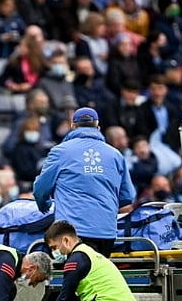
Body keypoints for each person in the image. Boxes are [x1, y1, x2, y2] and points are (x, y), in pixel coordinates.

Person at [33, 107, 136, 256]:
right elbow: (128, 195)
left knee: (74, 276)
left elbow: (41, 188)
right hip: (106, 232)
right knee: (96, 276)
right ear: (98, 127)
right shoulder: (115, 155)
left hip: (72, 233)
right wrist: (104, 206)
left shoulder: (60, 152)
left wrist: (44, 205)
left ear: (72, 126)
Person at [35, 221, 138, 301]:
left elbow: (64, 298)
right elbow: (71, 300)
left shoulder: (74, 261)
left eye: (54, 247)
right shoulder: (89, 253)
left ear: (66, 240)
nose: (54, 253)